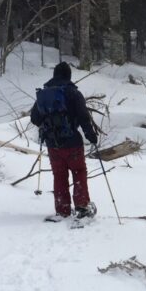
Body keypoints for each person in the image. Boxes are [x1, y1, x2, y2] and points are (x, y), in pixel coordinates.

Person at [31, 62, 99, 220]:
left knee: (59, 175)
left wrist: (49, 124)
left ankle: (62, 210)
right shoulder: (73, 93)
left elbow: (35, 118)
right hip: (73, 143)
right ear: (69, 75)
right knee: (79, 171)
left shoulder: (44, 94)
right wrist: (91, 135)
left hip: (53, 144)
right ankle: (82, 206)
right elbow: (83, 117)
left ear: (54, 74)